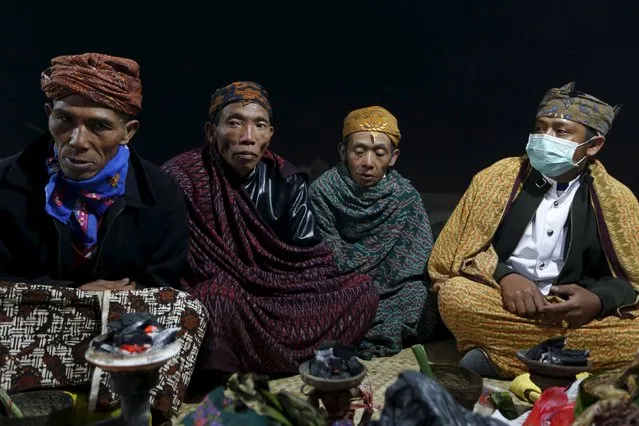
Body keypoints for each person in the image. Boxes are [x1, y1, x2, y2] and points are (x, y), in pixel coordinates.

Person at [0, 53, 206, 420]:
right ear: (49, 112)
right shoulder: (6, 182)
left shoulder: (160, 193)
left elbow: (160, 283)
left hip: (114, 326)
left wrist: (112, 303)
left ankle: (128, 408)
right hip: (33, 318)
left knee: (182, 309)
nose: (77, 141)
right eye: (64, 119)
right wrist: (74, 295)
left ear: (128, 132)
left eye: (99, 126)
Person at [162, 81, 379, 375]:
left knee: (362, 290)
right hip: (228, 297)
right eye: (235, 123)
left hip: (280, 294)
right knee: (217, 299)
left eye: (259, 125)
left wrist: (281, 290)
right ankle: (244, 365)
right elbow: (174, 262)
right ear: (212, 132)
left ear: (270, 135)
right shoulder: (183, 177)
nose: (248, 137)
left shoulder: (286, 180)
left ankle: (260, 357)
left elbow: (311, 257)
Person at [428, 82, 639, 379]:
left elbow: (632, 280)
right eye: (540, 128)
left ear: (593, 146)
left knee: (635, 334)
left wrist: (597, 300)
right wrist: (505, 276)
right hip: (502, 302)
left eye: (561, 131)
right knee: (456, 297)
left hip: (572, 314)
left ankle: (503, 360)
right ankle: (564, 364)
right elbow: (453, 255)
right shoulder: (496, 178)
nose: (545, 138)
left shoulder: (617, 199)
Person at [309, 106, 435, 359]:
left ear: (393, 157)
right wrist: (358, 289)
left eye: (379, 153)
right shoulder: (322, 192)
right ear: (343, 152)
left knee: (425, 299)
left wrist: (377, 290)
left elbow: (414, 265)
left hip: (393, 292)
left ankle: (361, 328)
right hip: (341, 289)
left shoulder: (405, 198)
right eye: (359, 151)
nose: (368, 163)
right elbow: (324, 258)